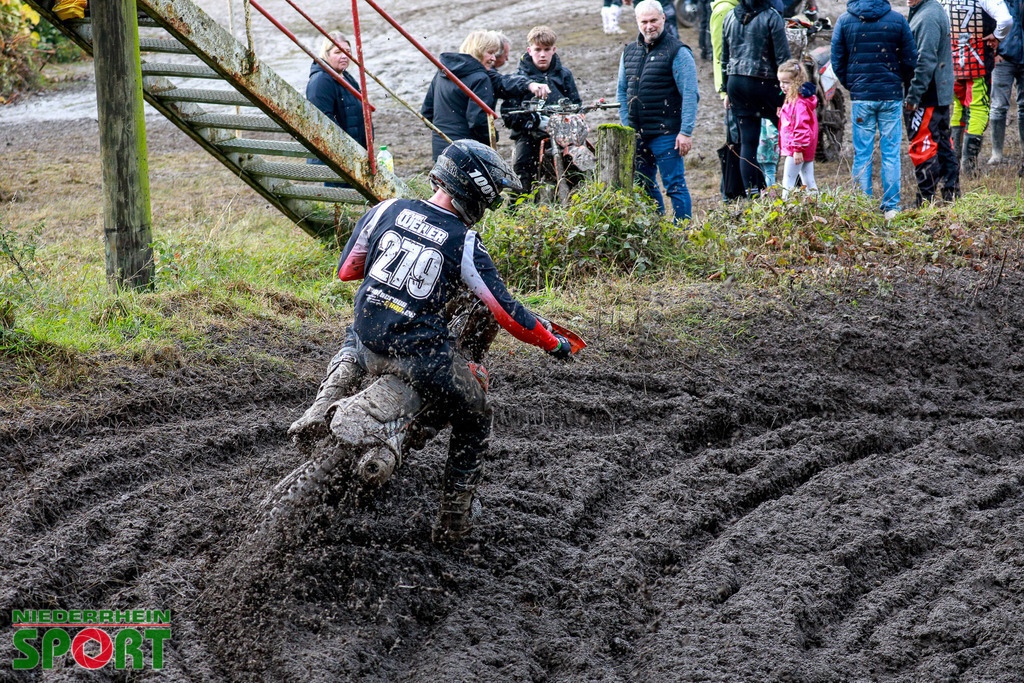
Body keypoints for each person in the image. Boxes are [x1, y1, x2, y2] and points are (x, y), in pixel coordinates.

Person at [290, 140, 574, 544]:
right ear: (478, 193)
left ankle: (319, 407)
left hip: (369, 339)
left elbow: (348, 271)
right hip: (420, 358)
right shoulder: (465, 242)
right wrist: (553, 343)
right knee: (477, 412)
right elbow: (507, 313)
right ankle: (455, 518)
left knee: (354, 332)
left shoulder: (386, 208)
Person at [832, 0, 917, 219]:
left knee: (862, 154)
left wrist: (853, 85)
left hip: (862, 97)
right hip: (890, 95)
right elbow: (910, 59)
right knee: (890, 153)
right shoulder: (898, 20)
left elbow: (837, 60)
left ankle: (862, 206)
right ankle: (891, 207)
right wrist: (899, 81)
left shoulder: (844, 21)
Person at [617, 0, 700, 223]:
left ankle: (682, 234)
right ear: (637, 22)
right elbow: (621, 93)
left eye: (653, 20)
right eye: (644, 21)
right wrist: (627, 128)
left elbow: (690, 94)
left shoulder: (678, 52)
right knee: (643, 185)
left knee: (675, 186)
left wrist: (686, 131)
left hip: (667, 134)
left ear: (663, 18)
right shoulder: (629, 52)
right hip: (637, 134)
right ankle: (656, 230)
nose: (649, 26)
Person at [421, 31, 549, 161]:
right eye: (491, 53)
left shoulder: (442, 73)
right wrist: (493, 138)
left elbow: (426, 113)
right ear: (478, 51)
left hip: (441, 150)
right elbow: (478, 121)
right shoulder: (480, 78)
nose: (494, 59)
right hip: (467, 152)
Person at [501, 26, 582, 197]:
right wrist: (533, 121)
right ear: (530, 50)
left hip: (561, 135)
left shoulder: (564, 75)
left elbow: (576, 104)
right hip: (529, 136)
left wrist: (569, 116)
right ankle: (516, 213)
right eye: (538, 50)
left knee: (578, 169)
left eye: (546, 49)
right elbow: (508, 116)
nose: (542, 54)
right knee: (521, 173)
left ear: (554, 50)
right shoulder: (519, 79)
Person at [721, 0, 790, 195]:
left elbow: (724, 57)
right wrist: (789, 89)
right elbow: (783, 57)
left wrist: (725, 88)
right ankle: (798, 188)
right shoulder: (771, 16)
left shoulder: (729, 16)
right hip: (765, 83)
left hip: (736, 84)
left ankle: (752, 194)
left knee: (748, 142)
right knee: (790, 135)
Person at [942, 0, 1012, 175]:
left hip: (953, 62)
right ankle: (969, 167)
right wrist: (997, 36)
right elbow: (1005, 20)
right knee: (978, 108)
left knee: (958, 108)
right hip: (978, 64)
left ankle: (955, 162)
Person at [905, 0, 961, 204]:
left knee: (924, 144)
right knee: (944, 143)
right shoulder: (925, 10)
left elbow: (926, 59)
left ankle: (925, 200)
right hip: (938, 90)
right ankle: (951, 195)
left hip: (928, 93)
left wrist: (913, 95)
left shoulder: (927, 16)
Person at [306, 31, 367, 188]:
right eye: (338, 52)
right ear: (326, 54)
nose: (344, 56)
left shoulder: (347, 77)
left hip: (349, 156)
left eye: (347, 52)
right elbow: (323, 121)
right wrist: (348, 150)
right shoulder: (321, 81)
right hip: (332, 160)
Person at [986, 0, 1024, 166]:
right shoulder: (994, 1)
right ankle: (996, 154)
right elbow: (986, 23)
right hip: (1003, 57)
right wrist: (993, 52)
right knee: (998, 106)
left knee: (1023, 107)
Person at [777, 59, 818, 197]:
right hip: (803, 147)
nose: (782, 86)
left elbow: (801, 126)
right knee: (808, 180)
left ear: (797, 81)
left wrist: (798, 149)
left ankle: (784, 209)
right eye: (781, 82)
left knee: (788, 181)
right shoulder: (796, 99)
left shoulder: (798, 102)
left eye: (786, 82)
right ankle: (817, 205)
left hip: (796, 148)